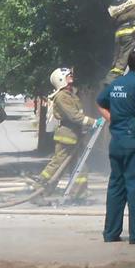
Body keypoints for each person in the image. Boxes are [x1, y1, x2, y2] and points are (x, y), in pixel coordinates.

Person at [96, 49, 135, 244]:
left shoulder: (117, 84)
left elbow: (100, 102)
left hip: (116, 143)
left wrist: (111, 120)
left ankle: (111, 233)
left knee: (116, 187)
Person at [37, 68, 102, 200]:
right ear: (61, 79)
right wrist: (93, 122)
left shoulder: (71, 94)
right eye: (67, 75)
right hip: (67, 136)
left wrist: (86, 127)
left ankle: (78, 195)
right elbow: (74, 116)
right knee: (58, 165)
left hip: (76, 135)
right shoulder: (62, 96)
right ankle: (39, 191)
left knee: (80, 167)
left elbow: (78, 116)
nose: (71, 76)